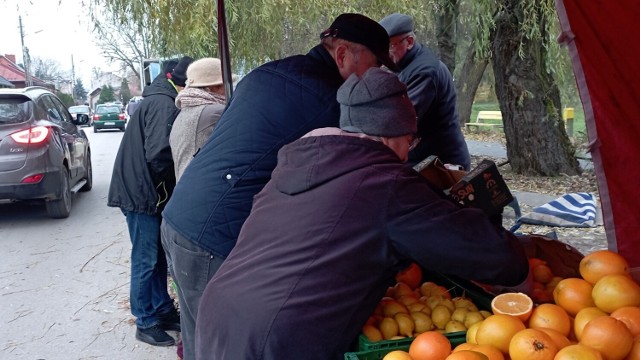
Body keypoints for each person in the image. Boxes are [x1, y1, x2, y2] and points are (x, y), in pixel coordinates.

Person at [194, 67, 530, 359]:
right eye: (409, 140)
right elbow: (498, 258)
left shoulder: (298, 164)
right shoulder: (384, 183)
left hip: (219, 314)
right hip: (276, 340)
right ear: (388, 135)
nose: (408, 153)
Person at [160, 13, 393, 360]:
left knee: (202, 341)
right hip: (214, 235)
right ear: (342, 55)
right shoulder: (329, 102)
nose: (374, 79)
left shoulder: (268, 73)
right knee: (224, 347)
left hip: (181, 217)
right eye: (374, 67)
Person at [107, 55, 194, 347]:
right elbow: (159, 155)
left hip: (143, 190)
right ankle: (144, 320)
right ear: (178, 81)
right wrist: (175, 189)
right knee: (145, 259)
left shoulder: (160, 97)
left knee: (156, 256)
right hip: (141, 193)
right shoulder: (163, 103)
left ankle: (162, 310)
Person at [162, 57, 233, 358]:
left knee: (192, 323)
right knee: (212, 324)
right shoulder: (213, 113)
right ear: (217, 85)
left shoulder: (185, 112)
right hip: (200, 226)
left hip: (179, 220)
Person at [379, 13, 471, 170]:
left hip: (441, 166)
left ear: (409, 42)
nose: (385, 53)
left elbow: (400, 120)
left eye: (390, 46)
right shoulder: (404, 66)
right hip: (424, 162)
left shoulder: (424, 72)